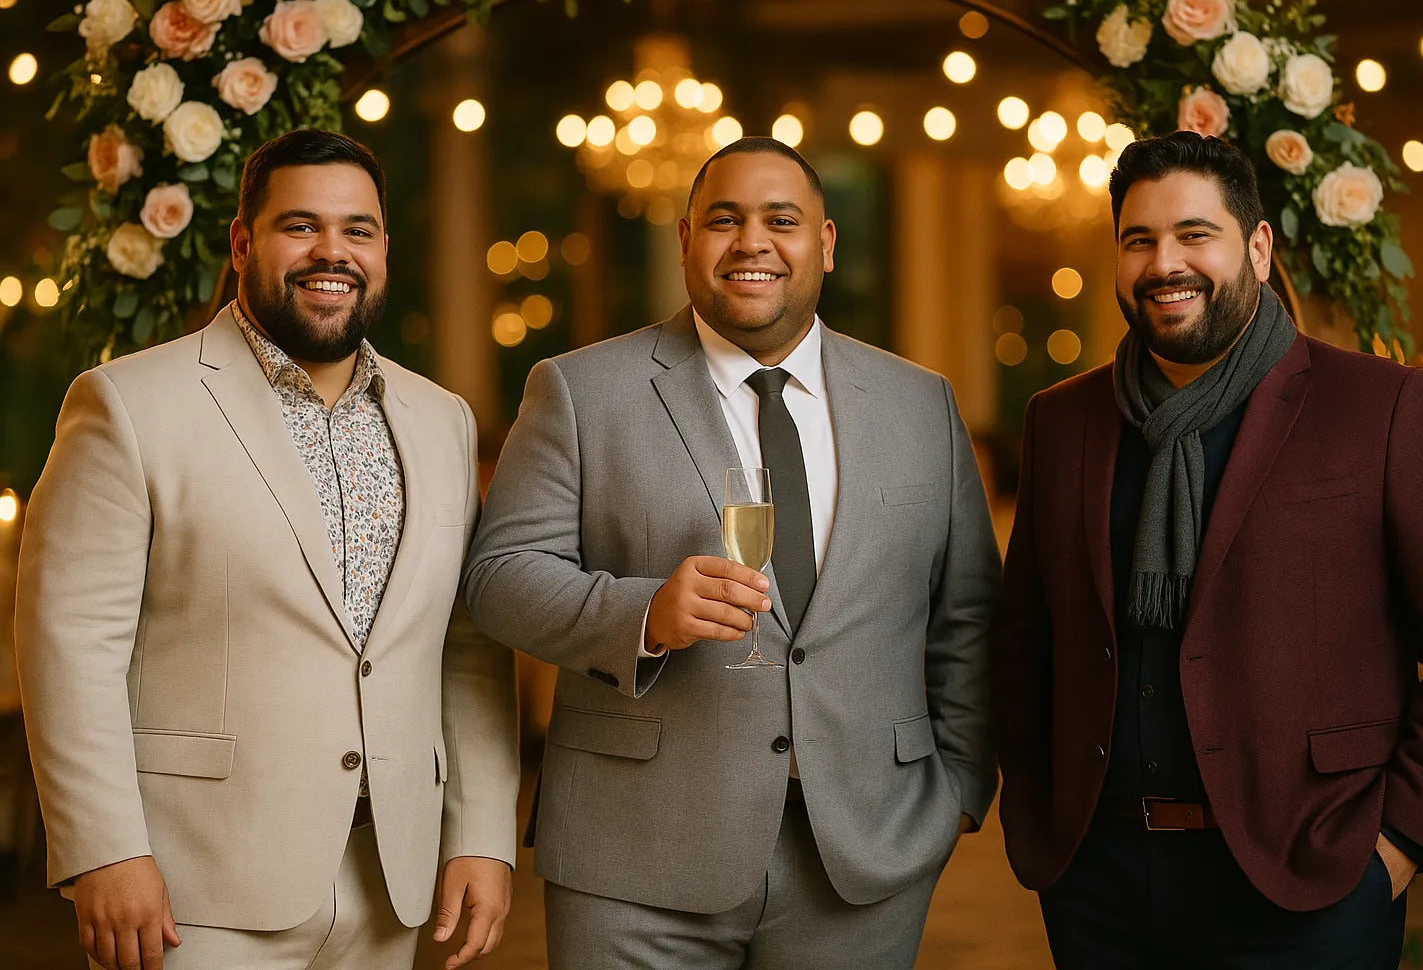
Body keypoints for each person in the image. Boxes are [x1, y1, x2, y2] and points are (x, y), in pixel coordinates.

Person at [992, 130, 1423, 968]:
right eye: (1139, 240)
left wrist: (1402, 844)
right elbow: (1025, 635)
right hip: (1100, 882)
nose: (1164, 262)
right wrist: (1035, 814)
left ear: (1257, 245)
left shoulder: (1383, 406)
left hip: (1313, 879)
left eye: (1194, 234)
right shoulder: (1063, 420)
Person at [465, 137, 998, 968]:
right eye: (724, 220)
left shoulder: (918, 402)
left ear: (823, 244)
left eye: (780, 221)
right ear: (685, 240)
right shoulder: (578, 389)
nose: (752, 242)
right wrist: (642, 613)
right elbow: (498, 579)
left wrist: (958, 788)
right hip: (635, 853)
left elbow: (967, 614)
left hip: (865, 854)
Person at [15, 129, 521, 970]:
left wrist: (482, 835)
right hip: (193, 889)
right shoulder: (127, 405)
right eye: (301, 226)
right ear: (244, 242)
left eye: (358, 230)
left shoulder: (443, 420)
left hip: (390, 880)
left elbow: (466, 650)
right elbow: (69, 647)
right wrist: (102, 849)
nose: (333, 251)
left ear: (384, 248)